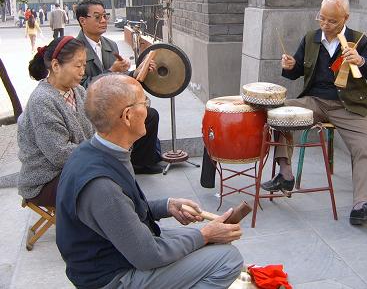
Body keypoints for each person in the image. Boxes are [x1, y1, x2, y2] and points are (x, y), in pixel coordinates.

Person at [55, 74, 243, 289]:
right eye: (144, 103)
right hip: (111, 278)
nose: (148, 109)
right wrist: (205, 235)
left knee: (198, 242)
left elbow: (125, 210)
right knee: (228, 258)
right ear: (127, 116)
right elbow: (148, 256)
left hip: (116, 251)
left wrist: (167, 206)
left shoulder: (97, 150)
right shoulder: (101, 185)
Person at [261, 0, 367, 226]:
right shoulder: (311, 38)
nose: (325, 25)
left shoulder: (359, 41)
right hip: (315, 102)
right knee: (277, 113)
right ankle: (285, 174)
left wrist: (361, 60)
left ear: (346, 18)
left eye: (332, 20)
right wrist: (290, 65)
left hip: (347, 105)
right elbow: (297, 69)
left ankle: (363, 204)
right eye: (321, 18)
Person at [75, 0, 162, 174]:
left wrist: (136, 72)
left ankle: (141, 162)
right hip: (92, 107)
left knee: (148, 113)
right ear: (82, 21)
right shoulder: (76, 48)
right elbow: (80, 85)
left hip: (114, 103)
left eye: (105, 16)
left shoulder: (110, 44)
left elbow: (118, 80)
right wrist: (111, 70)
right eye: (97, 17)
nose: (104, 20)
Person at [17, 36, 94, 207]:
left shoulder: (79, 91)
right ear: (56, 66)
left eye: (84, 65)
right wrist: (100, 151)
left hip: (74, 166)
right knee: (101, 183)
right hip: (45, 180)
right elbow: (60, 155)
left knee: (113, 171)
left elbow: (94, 127)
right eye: (77, 65)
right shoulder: (42, 100)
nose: (82, 71)